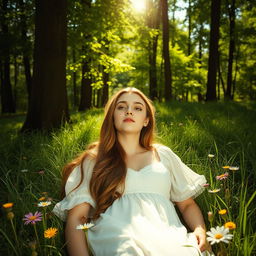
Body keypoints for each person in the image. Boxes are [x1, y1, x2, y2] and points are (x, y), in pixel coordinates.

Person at [53, 87, 212, 256]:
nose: (129, 111)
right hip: (117, 235)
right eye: (121, 107)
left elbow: (187, 204)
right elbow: (76, 219)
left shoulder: (163, 155)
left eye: (137, 108)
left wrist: (200, 230)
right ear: (112, 117)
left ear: (146, 120)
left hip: (166, 234)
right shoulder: (95, 160)